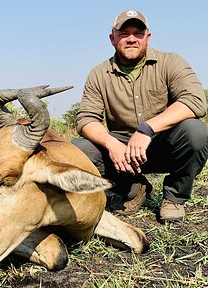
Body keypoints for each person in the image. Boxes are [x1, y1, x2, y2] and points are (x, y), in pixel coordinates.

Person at [72, 9, 208, 221]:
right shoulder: (98, 74)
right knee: (78, 150)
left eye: (138, 33)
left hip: (164, 143)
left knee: (196, 132)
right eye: (124, 34)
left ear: (148, 37)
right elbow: (86, 119)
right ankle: (134, 189)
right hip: (123, 153)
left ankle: (174, 197)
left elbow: (195, 101)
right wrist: (111, 144)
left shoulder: (170, 62)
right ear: (112, 38)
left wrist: (147, 129)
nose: (131, 39)